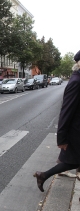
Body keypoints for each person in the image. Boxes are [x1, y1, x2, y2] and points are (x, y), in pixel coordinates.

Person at [34, 50, 80, 192]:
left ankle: (43, 175)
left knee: (73, 161)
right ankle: (43, 175)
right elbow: (65, 111)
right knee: (72, 161)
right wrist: (62, 138)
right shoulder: (76, 82)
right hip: (75, 132)